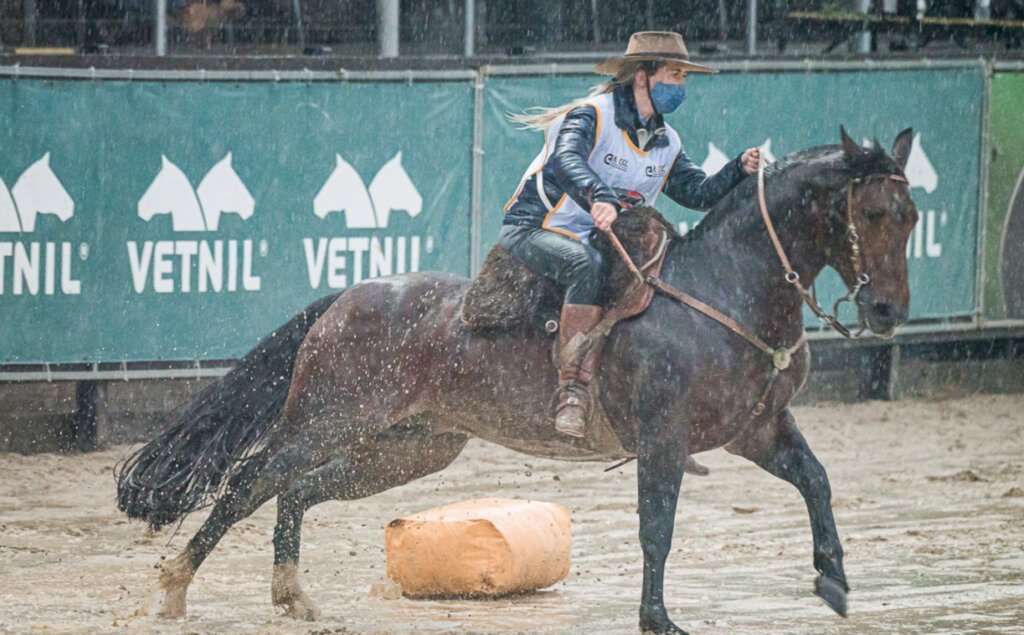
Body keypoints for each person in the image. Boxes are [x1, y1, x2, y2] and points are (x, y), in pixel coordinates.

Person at [501, 31, 761, 438]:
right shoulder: (591, 115)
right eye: (675, 74)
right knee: (586, 265)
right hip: (535, 229)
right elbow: (565, 158)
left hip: (599, 238)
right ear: (643, 76)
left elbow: (697, 192)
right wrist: (597, 196)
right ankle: (572, 388)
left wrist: (736, 171)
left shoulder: (667, 141)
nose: (682, 85)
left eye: (683, 77)